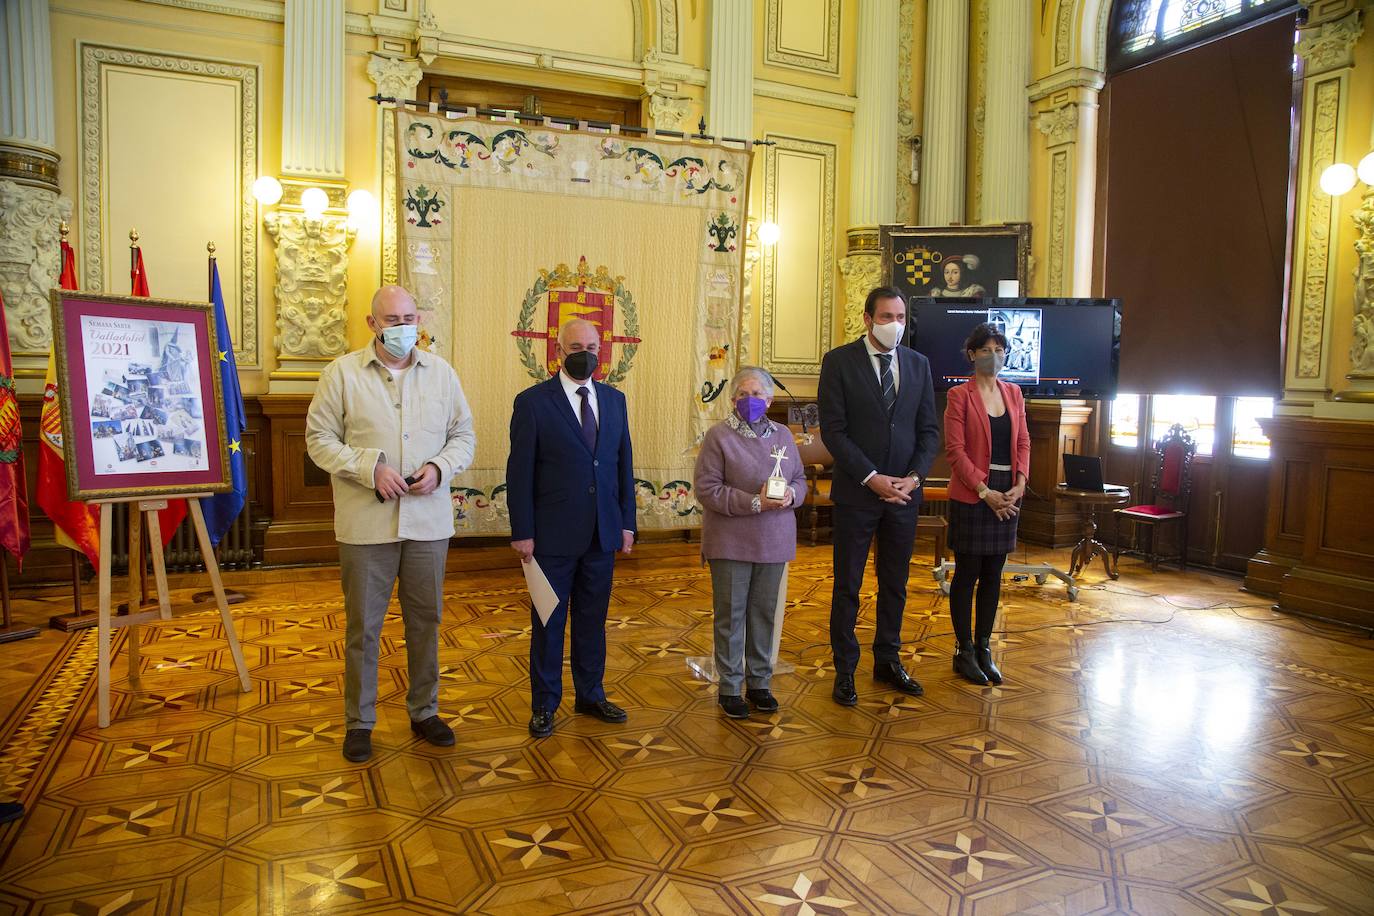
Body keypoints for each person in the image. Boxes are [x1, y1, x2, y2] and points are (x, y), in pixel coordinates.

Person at [306, 284, 476, 763]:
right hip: (367, 526)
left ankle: (425, 710)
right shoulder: (341, 375)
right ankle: (359, 722)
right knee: (365, 626)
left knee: (426, 621)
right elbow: (318, 440)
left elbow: (464, 435)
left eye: (408, 318)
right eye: (391, 319)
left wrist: (440, 468)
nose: (402, 327)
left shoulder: (442, 374)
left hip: (427, 524)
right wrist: (369, 468)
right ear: (372, 324)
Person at [508, 318, 637, 738]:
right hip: (551, 537)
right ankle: (545, 704)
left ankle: (591, 693)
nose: (585, 353)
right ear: (558, 351)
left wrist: (627, 523)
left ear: (602, 350)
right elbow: (520, 473)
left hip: (602, 534)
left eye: (592, 346)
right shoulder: (532, 403)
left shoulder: (615, 400)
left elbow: (621, 466)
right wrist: (522, 531)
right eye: (575, 345)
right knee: (548, 622)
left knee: (592, 619)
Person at [819, 286, 941, 706]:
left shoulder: (919, 365)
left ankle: (887, 659)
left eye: (901, 317)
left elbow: (928, 431)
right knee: (848, 585)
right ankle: (845, 669)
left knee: (896, 582)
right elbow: (834, 431)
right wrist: (871, 477)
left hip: (904, 496)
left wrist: (915, 478)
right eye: (887, 317)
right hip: (858, 493)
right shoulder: (839, 362)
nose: (896, 325)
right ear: (868, 319)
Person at [693, 367, 807, 719]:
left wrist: (791, 494)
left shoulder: (785, 436)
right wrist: (753, 502)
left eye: (757, 394)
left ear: (770, 400)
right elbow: (707, 490)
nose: (749, 400)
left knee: (763, 615)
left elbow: (801, 481)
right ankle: (730, 686)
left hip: (774, 542)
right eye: (742, 394)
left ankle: (759, 682)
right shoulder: (718, 436)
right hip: (730, 542)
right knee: (731, 615)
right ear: (732, 400)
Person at [943, 322, 1030, 685]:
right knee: (967, 574)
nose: (994, 356)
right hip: (972, 491)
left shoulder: (1014, 393)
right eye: (986, 350)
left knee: (994, 574)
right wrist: (984, 491)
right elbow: (955, 452)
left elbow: (1024, 442)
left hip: (1008, 491)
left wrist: (1021, 484)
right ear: (972, 354)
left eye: (999, 350)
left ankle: (984, 647)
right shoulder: (959, 396)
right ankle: (963, 650)